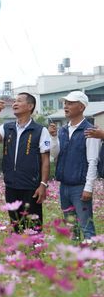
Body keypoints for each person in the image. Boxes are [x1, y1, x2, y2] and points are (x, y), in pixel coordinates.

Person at [0, 93, 51, 233]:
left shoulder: (40, 130)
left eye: (19, 101)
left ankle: (35, 252)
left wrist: (43, 184)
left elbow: (45, 159)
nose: (14, 104)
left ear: (30, 106)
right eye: (14, 101)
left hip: (31, 185)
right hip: (11, 184)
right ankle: (18, 253)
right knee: (15, 223)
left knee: (33, 225)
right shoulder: (7, 127)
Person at [48, 91, 99, 240]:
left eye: (70, 103)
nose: (66, 106)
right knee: (71, 228)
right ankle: (76, 259)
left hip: (80, 187)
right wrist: (53, 137)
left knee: (86, 226)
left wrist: (88, 187)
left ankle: (94, 259)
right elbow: (54, 154)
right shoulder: (63, 130)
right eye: (65, 103)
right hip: (64, 186)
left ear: (81, 107)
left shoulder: (90, 131)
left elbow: (93, 161)